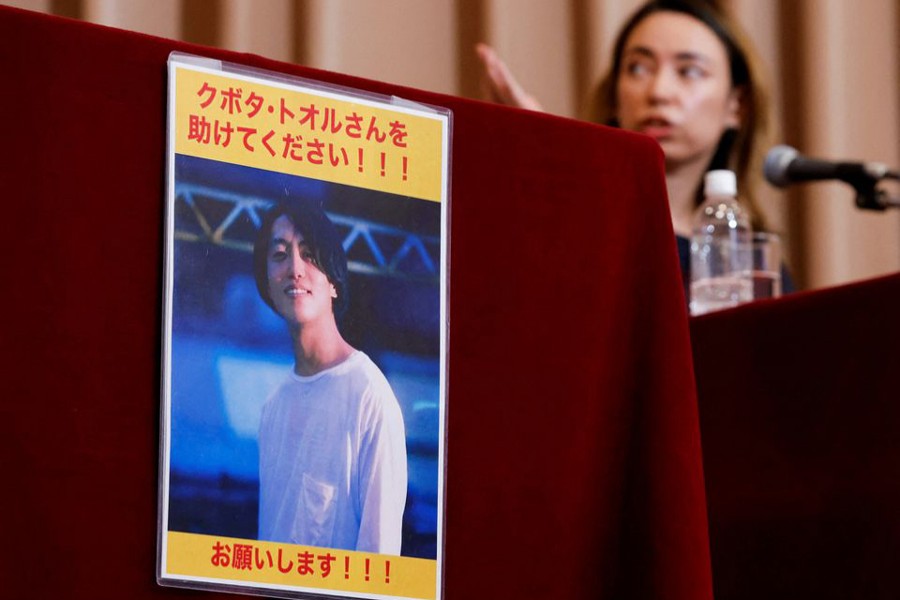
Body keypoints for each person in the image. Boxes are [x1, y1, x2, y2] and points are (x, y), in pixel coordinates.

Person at [477, 0, 793, 295]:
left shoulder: (756, 266)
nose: (658, 91)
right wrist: (550, 159)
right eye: (638, 68)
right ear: (615, 96)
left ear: (736, 105)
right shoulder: (574, 227)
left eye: (689, 71)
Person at [252, 199, 408, 554]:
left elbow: (380, 561)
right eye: (279, 255)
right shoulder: (273, 405)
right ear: (266, 283)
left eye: (309, 254)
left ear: (334, 281)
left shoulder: (368, 396)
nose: (294, 268)